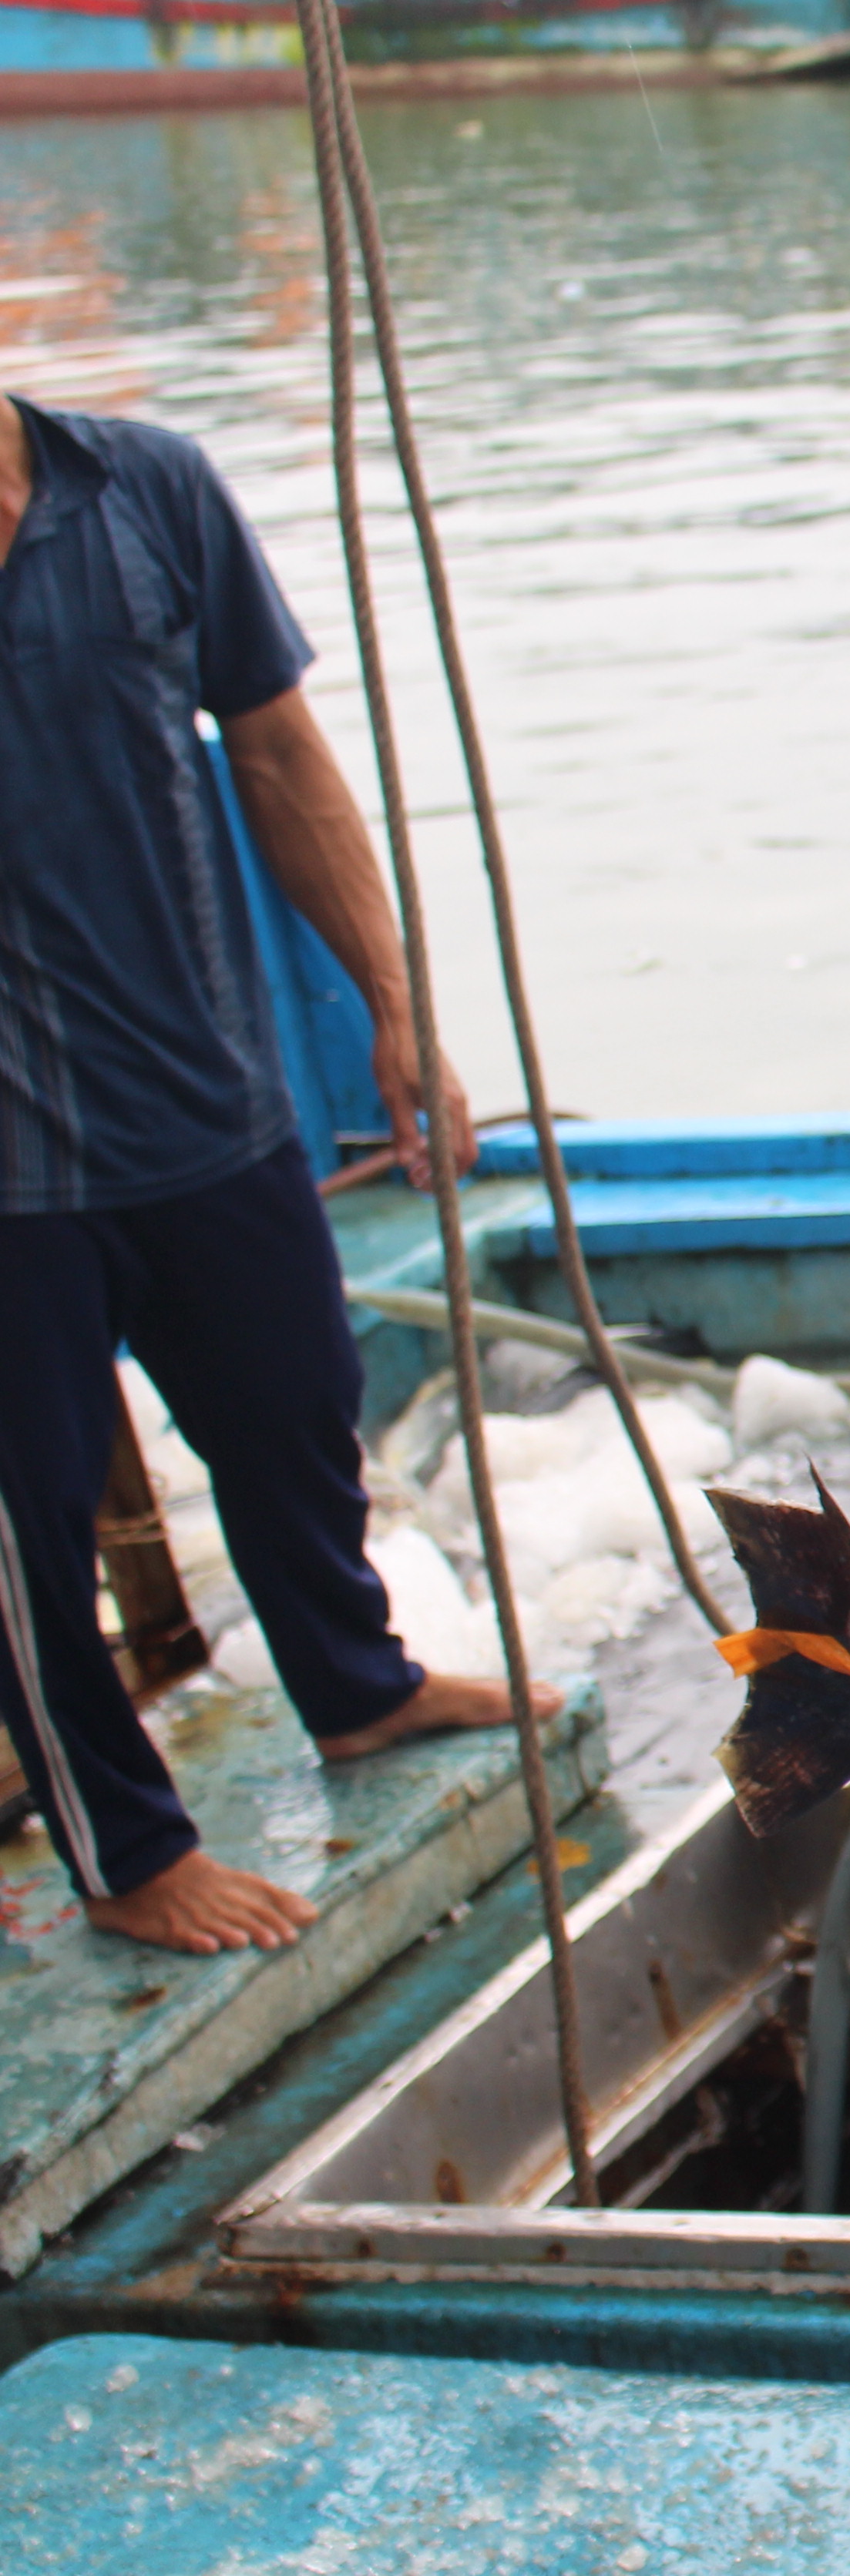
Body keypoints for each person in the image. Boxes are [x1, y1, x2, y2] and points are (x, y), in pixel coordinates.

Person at [0, 392, 553, 1957]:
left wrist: (393, 1001)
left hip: (201, 1093)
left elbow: (280, 747)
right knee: (23, 1520)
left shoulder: (147, 489)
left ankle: (358, 1688)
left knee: (297, 1410)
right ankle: (126, 1851)